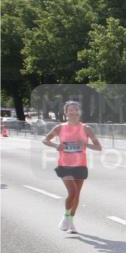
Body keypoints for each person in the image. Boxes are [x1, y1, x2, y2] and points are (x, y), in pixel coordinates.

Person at [42, 100, 103, 233]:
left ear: (79, 112)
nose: (73, 112)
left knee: (77, 195)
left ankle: (71, 221)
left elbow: (99, 147)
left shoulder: (86, 128)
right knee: (72, 192)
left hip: (80, 165)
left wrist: (85, 145)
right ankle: (66, 217)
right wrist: (56, 145)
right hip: (65, 165)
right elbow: (45, 140)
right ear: (66, 112)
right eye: (70, 109)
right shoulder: (60, 128)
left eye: (76, 109)